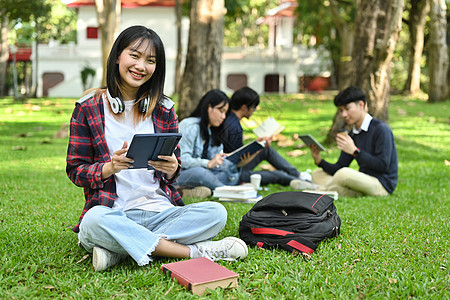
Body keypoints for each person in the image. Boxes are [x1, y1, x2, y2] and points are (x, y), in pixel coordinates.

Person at [66, 26, 248, 272]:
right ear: (118, 56)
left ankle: (119, 250)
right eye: (134, 55)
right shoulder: (87, 108)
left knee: (217, 213)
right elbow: (76, 170)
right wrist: (108, 168)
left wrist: (173, 168)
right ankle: (195, 251)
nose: (141, 66)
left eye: (150, 60)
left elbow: (174, 169)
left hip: (160, 210)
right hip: (114, 211)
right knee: (93, 222)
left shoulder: (164, 109)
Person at [308, 86, 398, 197]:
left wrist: (355, 152)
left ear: (361, 105)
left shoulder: (381, 129)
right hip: (361, 182)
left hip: (381, 184)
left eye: (347, 109)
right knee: (317, 174)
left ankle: (317, 190)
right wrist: (319, 161)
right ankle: (331, 190)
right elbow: (339, 167)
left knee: (345, 174)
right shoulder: (352, 134)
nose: (343, 114)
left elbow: (383, 165)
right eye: (341, 110)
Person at [223, 86, 316, 190]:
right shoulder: (234, 127)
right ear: (244, 107)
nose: (254, 111)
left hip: (233, 166)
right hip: (233, 172)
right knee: (277, 175)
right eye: (253, 107)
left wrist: (258, 146)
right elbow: (240, 159)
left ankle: (298, 175)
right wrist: (257, 148)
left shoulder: (229, 119)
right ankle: (301, 180)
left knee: (266, 149)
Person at [176, 89, 243, 197]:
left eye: (225, 113)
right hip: (180, 174)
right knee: (200, 173)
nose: (223, 117)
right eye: (221, 111)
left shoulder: (214, 131)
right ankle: (227, 192)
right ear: (209, 107)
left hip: (205, 174)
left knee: (226, 172)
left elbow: (214, 164)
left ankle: (200, 191)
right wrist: (208, 163)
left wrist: (226, 161)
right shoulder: (189, 126)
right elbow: (181, 160)